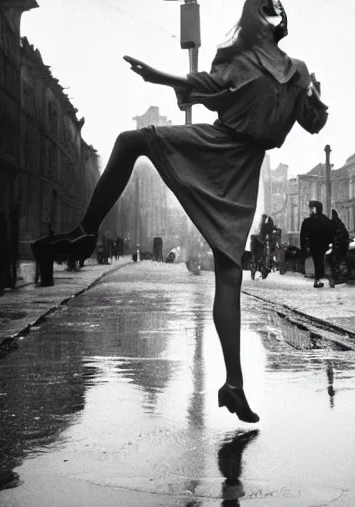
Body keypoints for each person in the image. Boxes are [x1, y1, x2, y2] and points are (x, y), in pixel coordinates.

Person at [30, 0, 328, 423]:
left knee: (230, 274)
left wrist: (314, 97)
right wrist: (157, 76)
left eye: (268, 7)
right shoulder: (238, 61)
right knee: (131, 141)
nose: (263, 13)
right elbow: (201, 83)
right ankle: (85, 231)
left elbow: (314, 123)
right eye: (258, 7)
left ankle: (234, 385)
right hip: (217, 145)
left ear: (275, 19)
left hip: (242, 168)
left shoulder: (296, 70)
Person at [300, 200, 335, 288]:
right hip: (315, 246)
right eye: (310, 209)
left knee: (322, 262)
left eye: (312, 209)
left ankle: (322, 278)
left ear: (317, 209)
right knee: (318, 262)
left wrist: (331, 242)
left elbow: (331, 232)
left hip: (323, 246)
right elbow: (303, 235)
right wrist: (304, 245)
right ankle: (320, 279)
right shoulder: (308, 221)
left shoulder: (324, 219)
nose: (310, 211)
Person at [327, 209, 350, 287]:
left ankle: (335, 277)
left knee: (332, 260)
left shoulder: (332, 223)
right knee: (337, 260)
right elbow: (345, 233)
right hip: (342, 246)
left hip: (338, 246)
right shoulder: (339, 222)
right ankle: (338, 276)